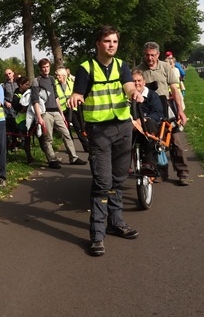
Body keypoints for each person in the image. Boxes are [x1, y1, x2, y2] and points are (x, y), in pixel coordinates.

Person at [68, 26, 143, 258]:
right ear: (98, 43)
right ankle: (97, 234)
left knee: (118, 180)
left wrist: (134, 93)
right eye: (107, 41)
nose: (112, 45)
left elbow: (129, 85)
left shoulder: (122, 66)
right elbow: (79, 91)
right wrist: (76, 96)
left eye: (115, 41)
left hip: (123, 128)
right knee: (102, 182)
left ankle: (116, 222)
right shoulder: (85, 68)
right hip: (99, 131)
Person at [136, 42, 192, 186]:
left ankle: (182, 172)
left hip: (165, 105)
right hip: (147, 108)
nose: (150, 58)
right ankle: (160, 171)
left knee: (176, 140)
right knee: (153, 141)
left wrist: (180, 111)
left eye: (153, 55)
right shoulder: (138, 70)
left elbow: (175, 89)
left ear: (158, 55)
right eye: (147, 55)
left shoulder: (166, 67)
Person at [32, 58, 87, 168]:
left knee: (66, 134)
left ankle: (74, 157)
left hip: (56, 112)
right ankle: (52, 160)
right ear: (40, 68)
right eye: (43, 67)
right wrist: (39, 117)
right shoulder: (36, 81)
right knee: (48, 138)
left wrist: (61, 113)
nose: (46, 69)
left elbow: (56, 97)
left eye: (47, 66)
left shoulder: (52, 79)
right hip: (45, 113)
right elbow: (35, 100)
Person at [131, 70, 164, 165]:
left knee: (149, 124)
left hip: (149, 126)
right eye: (134, 81)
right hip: (131, 125)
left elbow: (157, 113)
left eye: (139, 80)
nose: (137, 83)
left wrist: (143, 120)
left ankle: (150, 164)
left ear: (144, 82)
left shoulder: (152, 95)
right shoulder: (126, 96)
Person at [54, 67, 89, 152]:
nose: (57, 77)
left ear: (64, 76)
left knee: (78, 128)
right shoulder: (54, 84)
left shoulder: (71, 82)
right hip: (62, 110)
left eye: (59, 76)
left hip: (72, 108)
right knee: (67, 130)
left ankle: (86, 146)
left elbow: (77, 93)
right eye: (57, 76)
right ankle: (71, 149)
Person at [12, 76, 35, 164]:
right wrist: (26, 107)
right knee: (27, 139)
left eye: (29, 84)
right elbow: (19, 109)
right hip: (22, 121)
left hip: (31, 118)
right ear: (20, 85)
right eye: (26, 84)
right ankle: (29, 158)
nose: (28, 86)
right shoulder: (16, 96)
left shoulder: (28, 92)